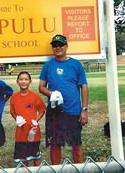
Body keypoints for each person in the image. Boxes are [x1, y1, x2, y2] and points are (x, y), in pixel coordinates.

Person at [39, 34, 89, 165]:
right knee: (55, 145)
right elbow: (41, 87)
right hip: (55, 112)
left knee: (76, 144)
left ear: (66, 46)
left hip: (73, 111)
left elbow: (84, 86)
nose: (58, 47)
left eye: (60, 45)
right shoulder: (48, 66)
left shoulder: (76, 64)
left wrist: (84, 110)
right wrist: (51, 94)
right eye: (55, 45)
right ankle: (57, 169)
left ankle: (79, 168)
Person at [10, 71, 46, 166]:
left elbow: (42, 110)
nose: (23, 82)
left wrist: (36, 120)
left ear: (30, 81)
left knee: (35, 158)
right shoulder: (14, 97)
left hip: (33, 134)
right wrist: (17, 119)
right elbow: (12, 112)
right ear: (17, 81)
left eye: (26, 79)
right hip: (20, 134)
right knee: (23, 160)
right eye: (21, 79)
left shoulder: (35, 96)